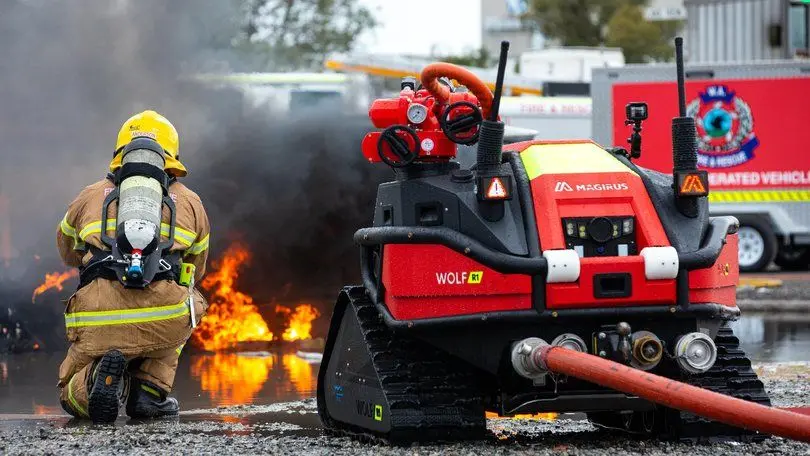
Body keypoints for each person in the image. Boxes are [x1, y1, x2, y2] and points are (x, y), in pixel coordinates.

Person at [56, 110, 210, 423]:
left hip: (98, 315)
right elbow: (197, 267)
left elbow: (67, 252)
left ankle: (94, 379)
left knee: (68, 393)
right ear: (171, 157)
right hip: (165, 316)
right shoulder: (191, 202)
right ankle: (149, 395)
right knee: (189, 303)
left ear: (120, 154)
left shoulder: (87, 197)